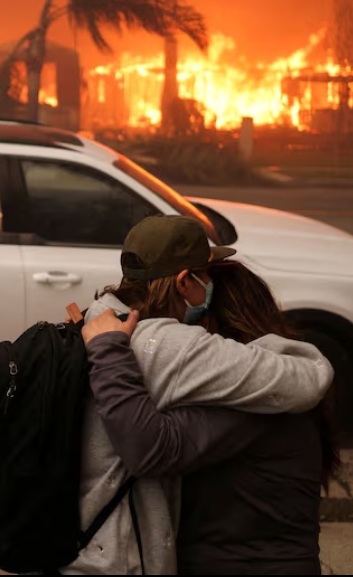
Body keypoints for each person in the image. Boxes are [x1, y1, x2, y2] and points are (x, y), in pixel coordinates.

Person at [63, 215, 334, 574]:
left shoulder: (95, 322)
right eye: (204, 276)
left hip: (78, 547)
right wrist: (297, 351)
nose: (206, 287)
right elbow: (310, 378)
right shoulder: (174, 348)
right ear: (184, 282)